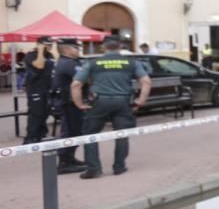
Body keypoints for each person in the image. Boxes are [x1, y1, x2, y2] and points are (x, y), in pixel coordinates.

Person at [71, 34, 152, 179]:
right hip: (123, 102)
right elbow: (146, 81)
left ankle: (94, 169)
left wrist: (79, 104)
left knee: (90, 135)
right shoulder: (132, 63)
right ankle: (119, 167)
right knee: (121, 134)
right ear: (121, 46)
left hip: (99, 102)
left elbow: (76, 84)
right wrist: (140, 101)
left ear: (103, 47)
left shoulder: (93, 63)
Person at [50, 38, 88, 174]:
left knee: (74, 131)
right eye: (76, 48)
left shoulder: (65, 62)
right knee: (70, 132)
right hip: (68, 103)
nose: (78, 50)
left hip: (66, 102)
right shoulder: (69, 64)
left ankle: (70, 158)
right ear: (66, 49)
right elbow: (85, 78)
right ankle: (64, 163)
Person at [22, 36, 55, 144]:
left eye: (51, 44)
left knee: (45, 112)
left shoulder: (50, 55)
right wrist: (40, 50)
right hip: (35, 89)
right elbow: (39, 65)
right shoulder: (30, 56)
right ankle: (30, 138)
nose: (50, 47)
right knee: (36, 113)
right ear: (40, 44)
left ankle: (41, 134)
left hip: (47, 88)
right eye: (47, 44)